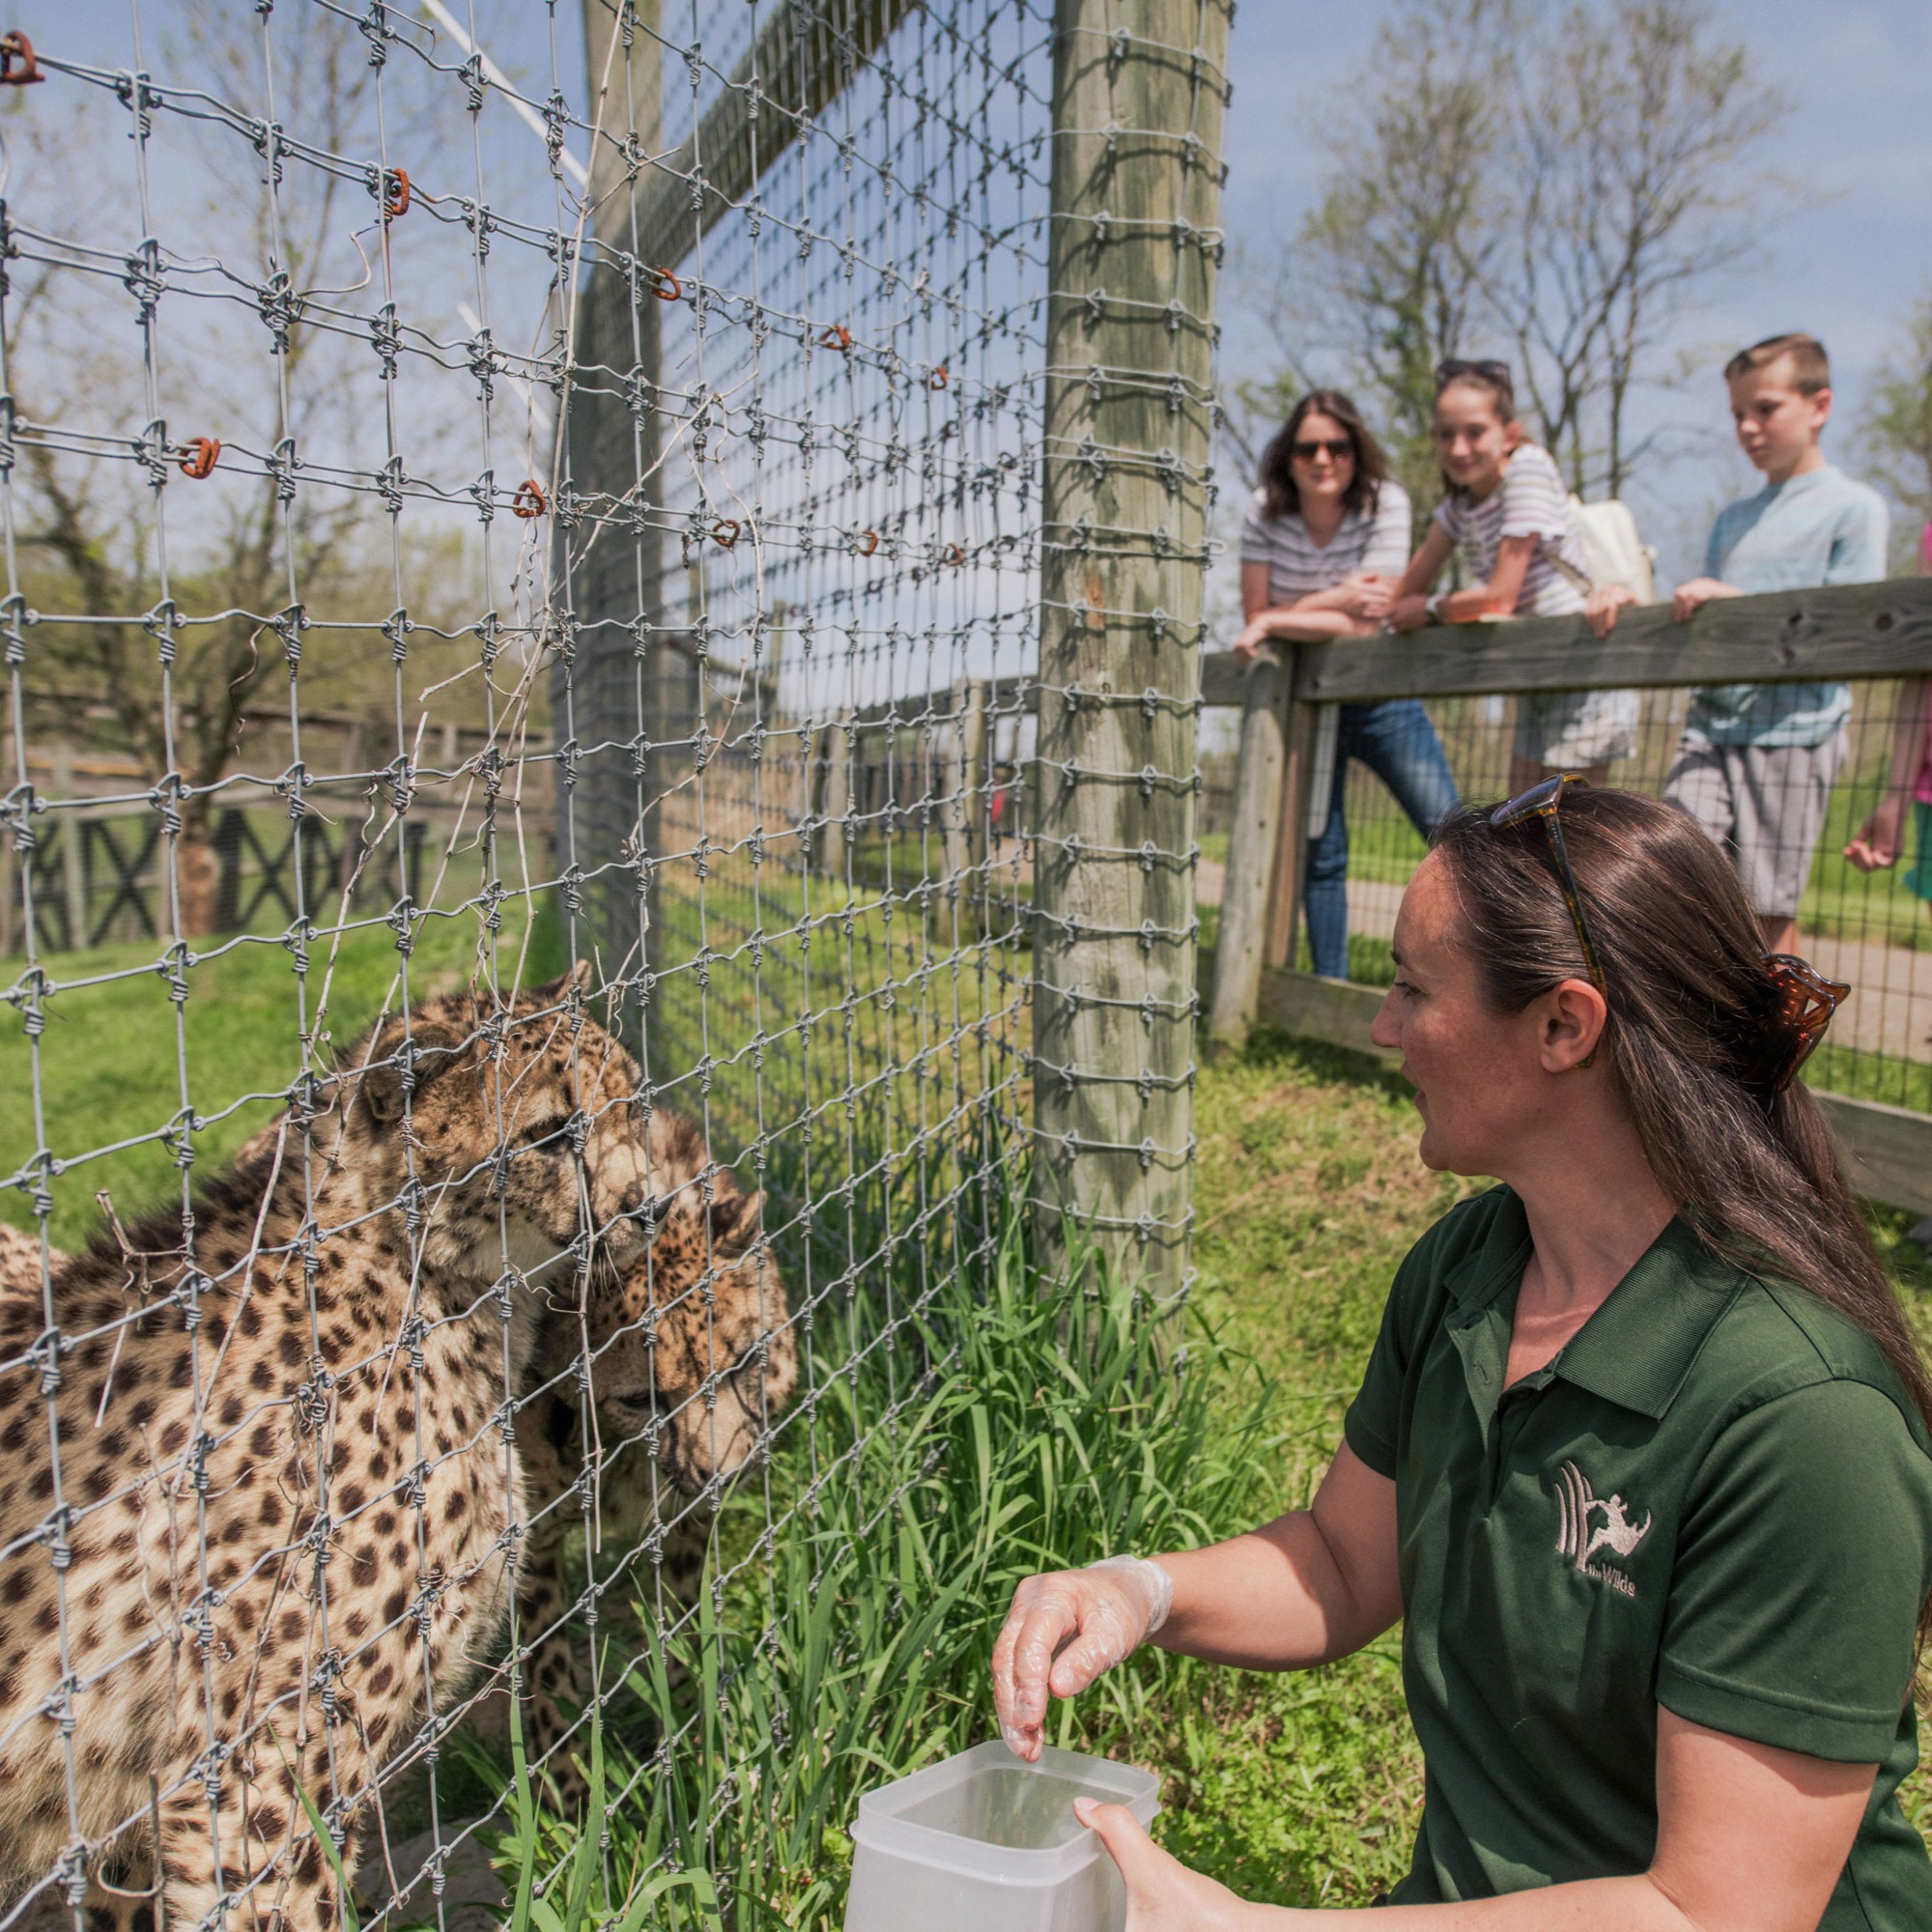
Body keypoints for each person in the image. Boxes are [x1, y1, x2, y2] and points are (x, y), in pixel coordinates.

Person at [992, 781, 1932, 1928]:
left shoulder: (1803, 1415)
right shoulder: (1472, 1264)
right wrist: (1136, 1591)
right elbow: (1341, 1562)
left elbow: (1710, 1911)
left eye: (1410, 987)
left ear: (1561, 1025)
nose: (1382, 1027)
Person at [1665, 332, 1889, 957]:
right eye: (1738, 413)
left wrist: (1730, 602)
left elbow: (1849, 630)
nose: (1748, 427)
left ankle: (1777, 1053)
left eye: (1765, 409)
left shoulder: (1855, 509)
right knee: (1674, 875)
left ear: (1819, 406)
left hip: (1795, 731)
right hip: (1711, 727)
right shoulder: (1731, 518)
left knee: (1765, 912)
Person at [1235, 391, 1459, 980]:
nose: (1324, 458)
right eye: (1308, 447)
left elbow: (1370, 619)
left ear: (1356, 452)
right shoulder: (1263, 512)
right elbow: (1255, 617)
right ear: (1288, 457)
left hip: (1383, 697)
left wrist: (1282, 617)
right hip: (1308, 709)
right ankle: (1328, 987)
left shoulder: (1386, 502)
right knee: (1322, 852)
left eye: (1338, 445)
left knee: (1456, 832)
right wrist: (1329, 600)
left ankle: (1473, 978)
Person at [1386, 360, 1637, 790]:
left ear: (1510, 435)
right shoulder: (1459, 507)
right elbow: (1401, 598)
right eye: (1446, 435)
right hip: (1533, 671)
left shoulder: (1528, 469)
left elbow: (1500, 597)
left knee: (1572, 834)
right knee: (1520, 829)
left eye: (1475, 432)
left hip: (1585, 664)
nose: (1460, 448)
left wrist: (1430, 609)